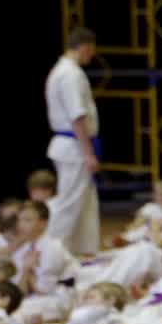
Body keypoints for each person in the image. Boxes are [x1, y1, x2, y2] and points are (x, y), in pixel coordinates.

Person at [43, 26, 101, 257]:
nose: (92, 55)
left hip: (72, 144)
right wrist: (88, 153)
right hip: (74, 146)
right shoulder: (70, 74)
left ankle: (81, 251)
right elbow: (77, 115)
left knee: (84, 201)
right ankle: (50, 252)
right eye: (91, 50)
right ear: (84, 47)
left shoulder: (64, 71)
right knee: (69, 203)